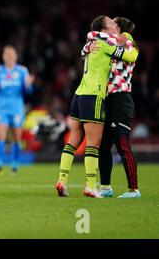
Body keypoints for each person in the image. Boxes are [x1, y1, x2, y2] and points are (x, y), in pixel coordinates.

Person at [55, 15, 138, 198]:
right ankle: (91, 186)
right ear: (104, 30)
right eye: (110, 23)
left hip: (78, 95)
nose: (114, 26)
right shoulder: (107, 44)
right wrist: (129, 39)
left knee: (73, 139)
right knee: (94, 143)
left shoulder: (93, 42)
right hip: (94, 95)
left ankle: (62, 180)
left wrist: (87, 46)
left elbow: (84, 49)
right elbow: (131, 55)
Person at [84, 17, 140, 198]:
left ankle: (134, 189)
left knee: (122, 144)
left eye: (114, 24)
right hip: (106, 99)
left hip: (121, 100)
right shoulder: (109, 43)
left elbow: (131, 53)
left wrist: (128, 38)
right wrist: (86, 47)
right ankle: (106, 186)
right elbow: (91, 37)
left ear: (120, 30)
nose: (112, 26)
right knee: (104, 145)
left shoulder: (127, 45)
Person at [0, 45, 34, 174]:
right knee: (0, 136)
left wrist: (28, 86)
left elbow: (28, 91)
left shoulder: (22, 71)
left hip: (16, 108)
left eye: (11, 55)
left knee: (16, 137)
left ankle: (15, 164)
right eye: (6, 55)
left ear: (15, 56)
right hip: (1, 108)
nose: (9, 57)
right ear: (3, 57)